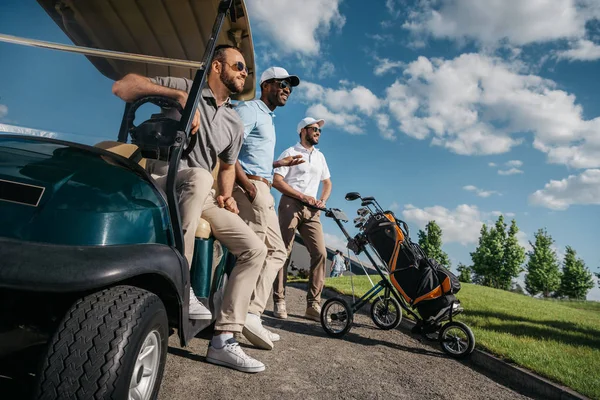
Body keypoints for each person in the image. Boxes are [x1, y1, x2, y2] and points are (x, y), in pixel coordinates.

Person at [112, 44, 268, 373]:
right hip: (161, 175)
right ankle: (182, 285)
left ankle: (225, 340)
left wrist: (227, 196)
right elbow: (122, 87)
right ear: (216, 66)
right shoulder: (185, 87)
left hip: (203, 193)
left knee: (255, 248)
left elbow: (226, 167)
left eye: (246, 70)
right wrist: (177, 97)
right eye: (239, 66)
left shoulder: (234, 123)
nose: (244, 72)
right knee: (197, 176)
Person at [232, 67, 302, 350]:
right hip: (252, 189)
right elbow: (227, 148)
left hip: (263, 187)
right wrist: (247, 187)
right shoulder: (249, 110)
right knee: (259, 252)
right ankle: (239, 318)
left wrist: (277, 165)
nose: (287, 89)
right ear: (266, 85)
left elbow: (253, 156)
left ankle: (252, 313)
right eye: (283, 84)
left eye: (290, 86)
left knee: (278, 251)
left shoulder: (268, 118)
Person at [272, 117, 332, 321]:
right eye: (314, 129)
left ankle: (313, 305)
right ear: (302, 131)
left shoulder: (320, 157)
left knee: (320, 253)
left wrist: (322, 200)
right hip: (291, 204)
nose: (318, 132)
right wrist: (301, 196)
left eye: (319, 130)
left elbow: (327, 182)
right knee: (284, 251)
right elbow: (276, 181)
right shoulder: (290, 152)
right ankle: (279, 300)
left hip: (312, 209)